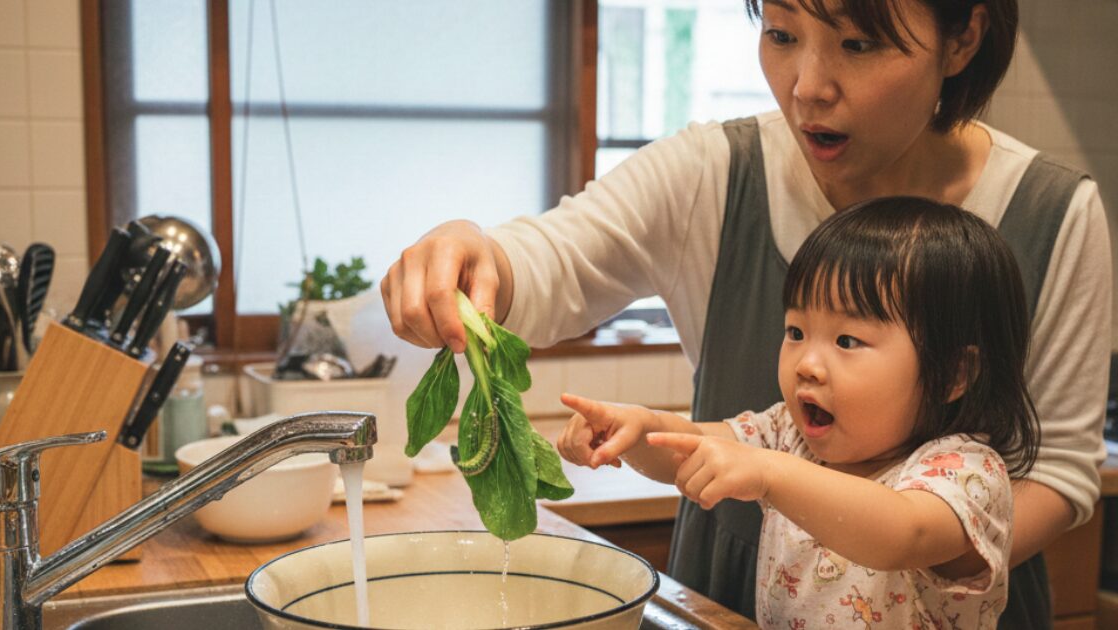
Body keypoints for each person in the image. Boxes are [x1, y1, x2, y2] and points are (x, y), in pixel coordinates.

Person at [381, 1, 1111, 626]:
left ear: (963, 37)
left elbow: (1053, 477)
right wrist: (478, 259)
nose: (807, 87)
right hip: (729, 594)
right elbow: (553, 260)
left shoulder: (1053, 216)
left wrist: (859, 529)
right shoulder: (714, 173)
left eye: (858, 43)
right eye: (783, 33)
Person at [557, 197, 1039, 628]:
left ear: (953, 373)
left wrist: (770, 472)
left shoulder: (967, 472)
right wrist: (638, 430)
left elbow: (903, 531)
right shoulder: (790, 436)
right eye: (796, 332)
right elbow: (690, 449)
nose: (807, 364)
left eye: (847, 341)